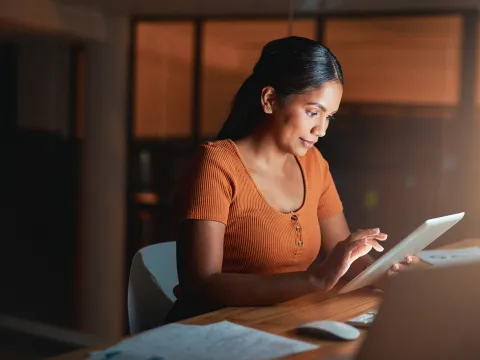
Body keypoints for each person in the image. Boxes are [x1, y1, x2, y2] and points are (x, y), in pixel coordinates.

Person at [166, 36, 417, 323]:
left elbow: (345, 263)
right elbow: (201, 283)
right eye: (313, 112)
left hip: (282, 323)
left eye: (329, 117)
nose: (320, 130)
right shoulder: (216, 164)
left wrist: (386, 273)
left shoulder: (314, 165)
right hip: (214, 332)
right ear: (270, 100)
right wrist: (313, 281)